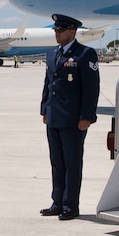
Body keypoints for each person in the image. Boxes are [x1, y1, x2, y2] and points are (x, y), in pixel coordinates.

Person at [39, 14, 99, 221]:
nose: (57, 34)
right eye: (55, 30)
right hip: (54, 117)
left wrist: (87, 117)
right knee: (57, 163)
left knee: (72, 163)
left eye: (61, 30)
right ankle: (57, 202)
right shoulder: (52, 54)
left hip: (74, 120)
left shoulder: (85, 54)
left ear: (72, 32)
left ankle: (70, 205)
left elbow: (91, 89)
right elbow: (49, 85)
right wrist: (44, 109)